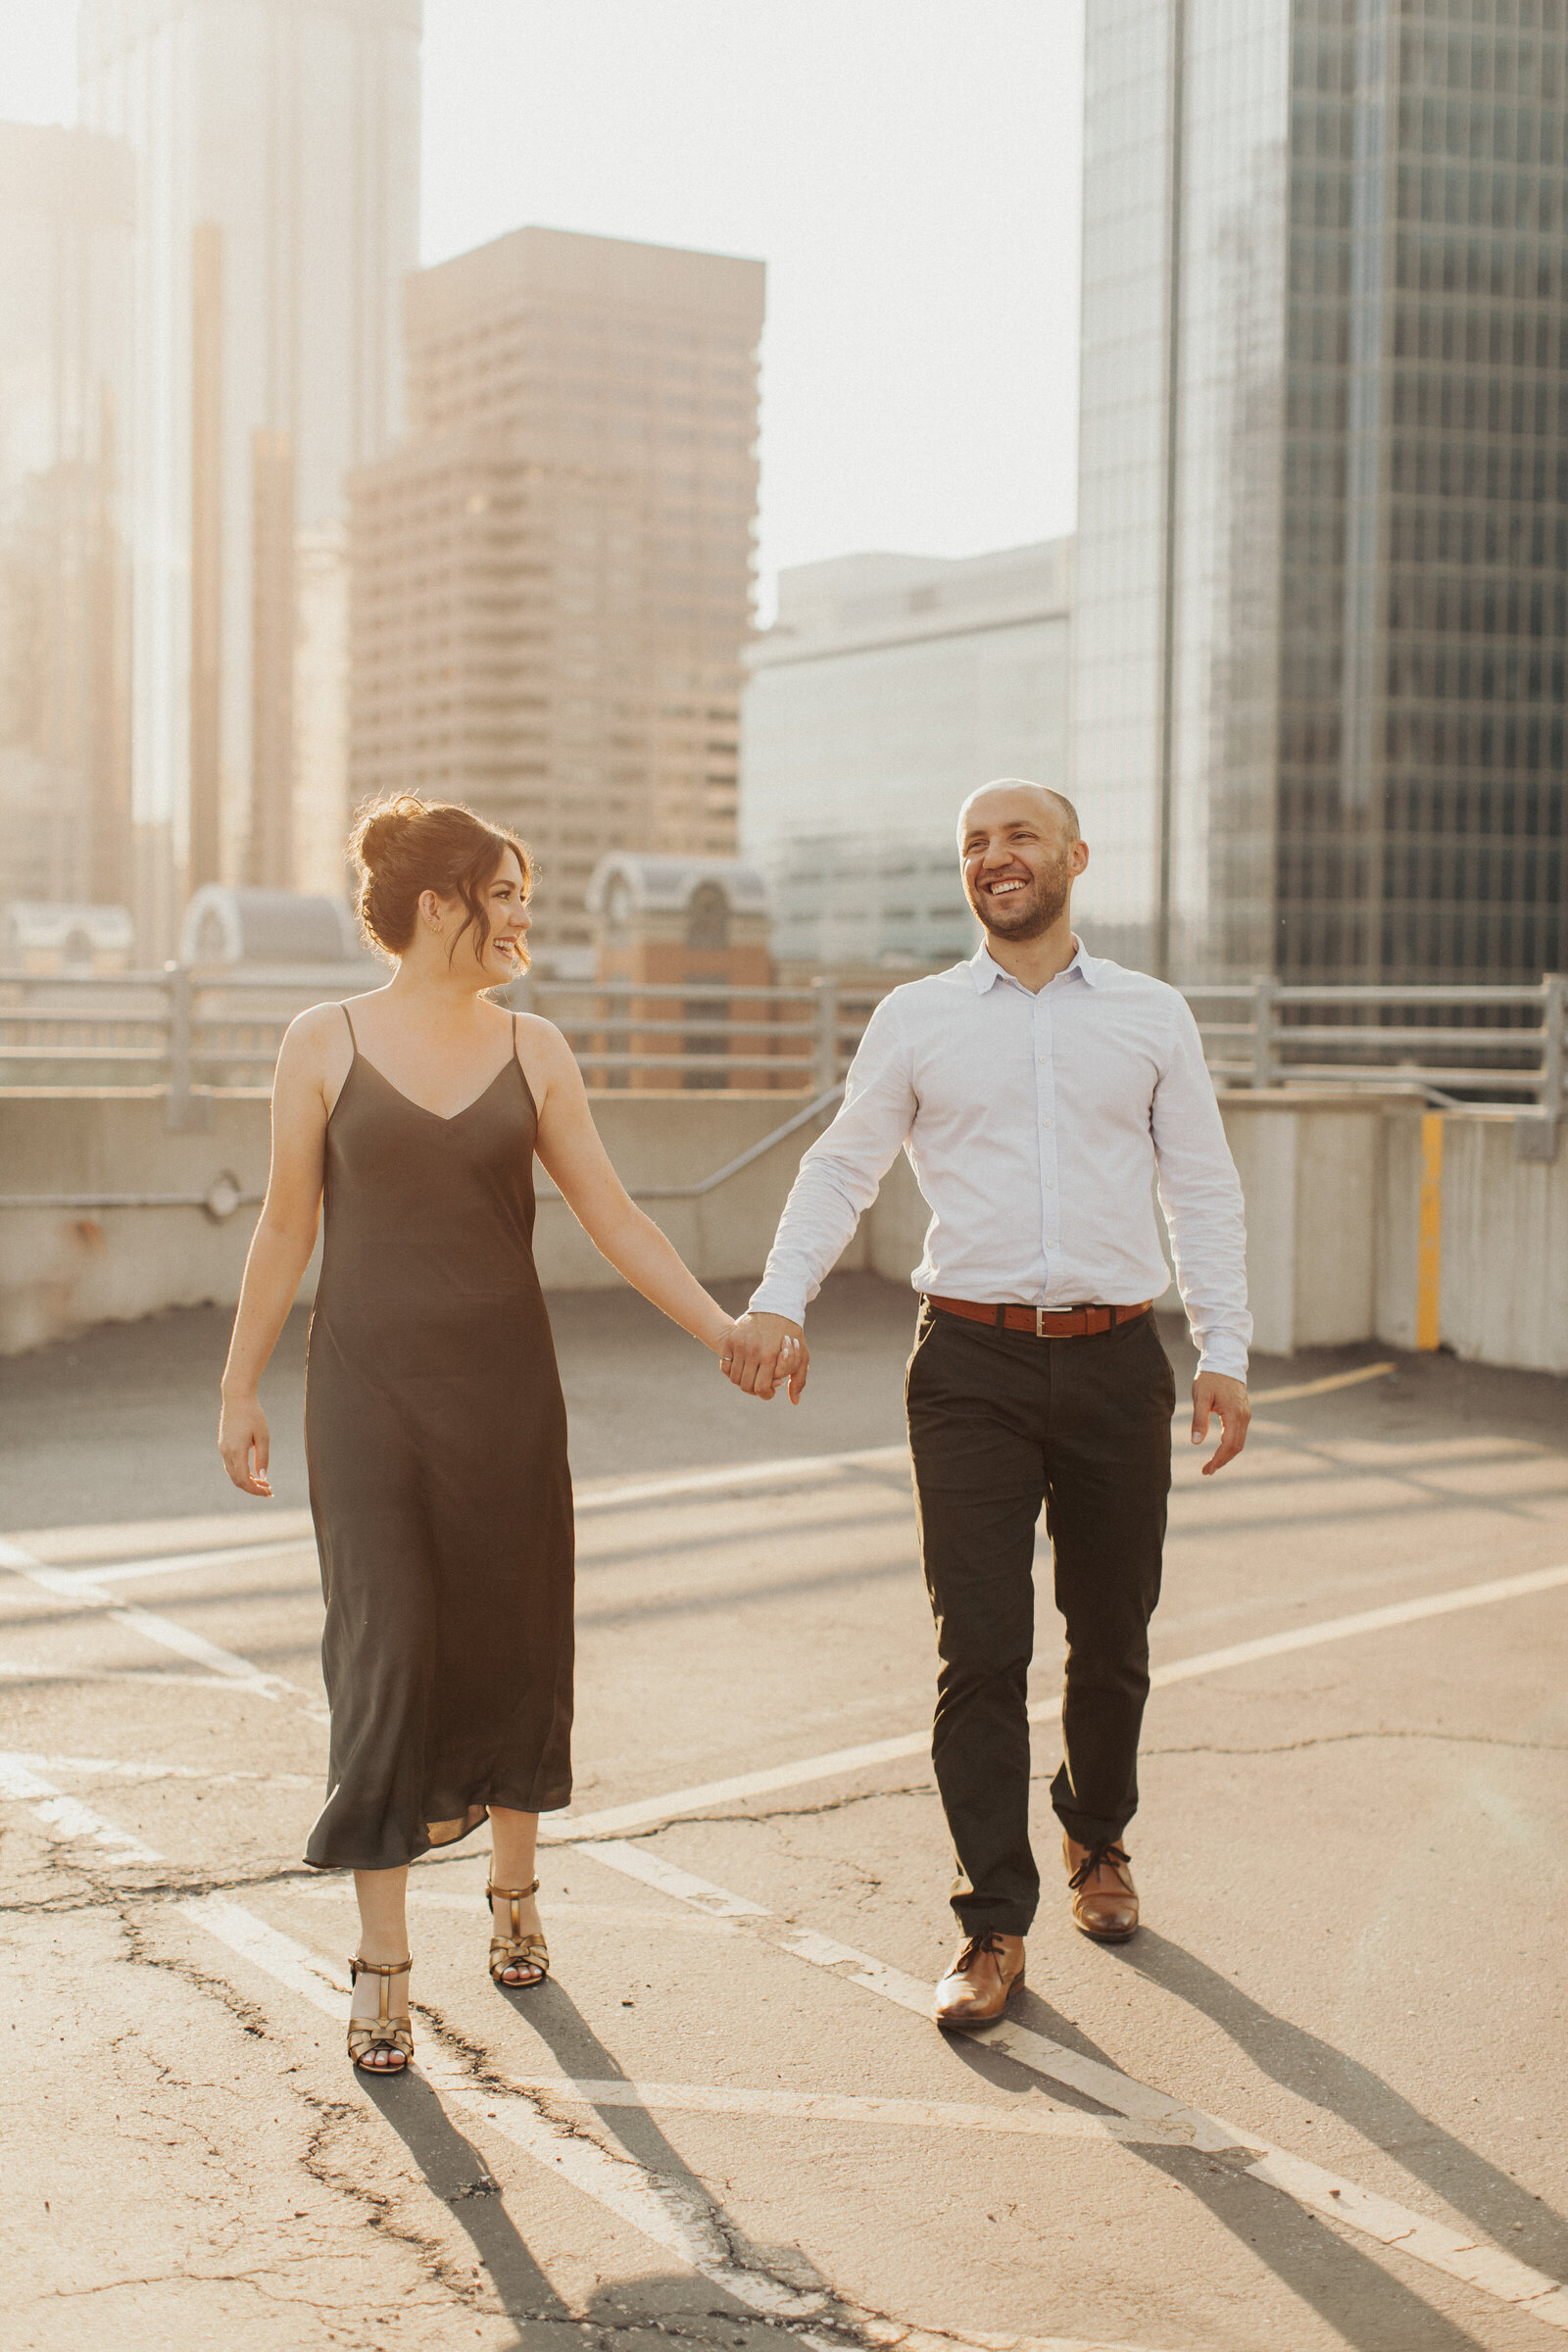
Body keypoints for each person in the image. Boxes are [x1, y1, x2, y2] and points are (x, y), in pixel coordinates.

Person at [219, 797, 759, 2074]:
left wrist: (720, 1328)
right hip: (367, 1400)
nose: (524, 914)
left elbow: (617, 1218)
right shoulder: (322, 1039)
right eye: (507, 891)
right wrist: (236, 1386)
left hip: (507, 1396)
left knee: (514, 1636)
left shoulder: (535, 1048)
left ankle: (516, 1894)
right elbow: (287, 1227)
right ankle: (383, 1961)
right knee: (388, 1652)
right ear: (440, 900)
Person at [720, 779, 1250, 2030]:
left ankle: (1097, 1836)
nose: (993, 858)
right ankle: (991, 1925)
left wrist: (1224, 1347)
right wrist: (777, 1300)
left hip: (1119, 1361)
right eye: (972, 844)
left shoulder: (1150, 1014)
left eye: (1016, 837)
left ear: (1073, 855)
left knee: (1112, 1631)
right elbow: (841, 1163)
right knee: (981, 1650)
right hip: (968, 1363)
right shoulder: (915, 1019)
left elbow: (1203, 1190)